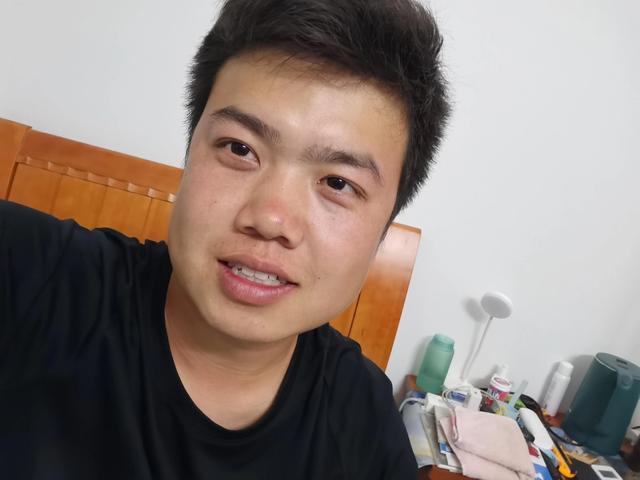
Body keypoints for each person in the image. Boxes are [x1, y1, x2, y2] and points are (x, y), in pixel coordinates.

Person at [0, 0, 449, 478]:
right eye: (240, 149)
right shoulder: (32, 276)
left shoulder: (365, 423)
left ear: (382, 230)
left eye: (338, 183)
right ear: (190, 154)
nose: (271, 219)